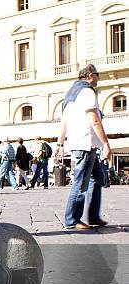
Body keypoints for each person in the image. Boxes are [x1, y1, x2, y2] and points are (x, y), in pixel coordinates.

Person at [56, 64, 111, 229]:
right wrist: (106, 144)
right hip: (86, 143)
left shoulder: (71, 94)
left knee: (97, 178)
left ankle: (93, 216)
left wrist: (60, 143)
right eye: (97, 74)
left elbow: (64, 122)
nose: (98, 78)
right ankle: (71, 220)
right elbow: (94, 120)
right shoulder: (87, 91)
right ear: (90, 75)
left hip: (81, 143)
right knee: (81, 183)